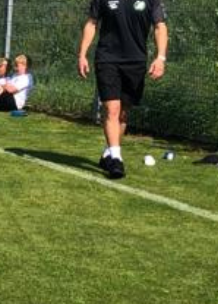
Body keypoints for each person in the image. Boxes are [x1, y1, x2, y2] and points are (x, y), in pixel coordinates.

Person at [78, 0, 168, 179]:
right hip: (107, 59)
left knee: (123, 113)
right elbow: (91, 23)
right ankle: (117, 159)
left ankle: (108, 153)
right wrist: (82, 54)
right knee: (112, 109)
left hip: (136, 62)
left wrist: (161, 58)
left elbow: (160, 26)